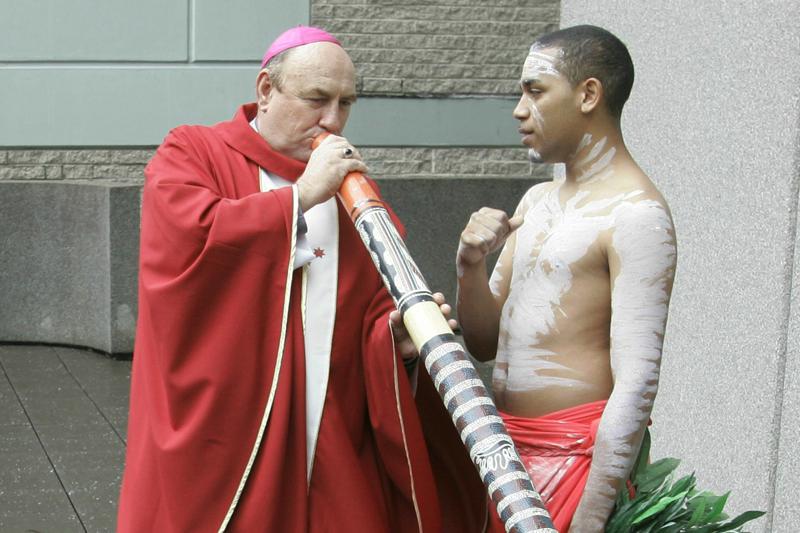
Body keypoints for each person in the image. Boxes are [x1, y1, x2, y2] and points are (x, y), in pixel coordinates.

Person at [117, 26, 483, 533]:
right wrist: (303, 195)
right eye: (317, 99)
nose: (332, 120)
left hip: (330, 432)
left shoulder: (355, 195)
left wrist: (395, 342)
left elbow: (367, 313)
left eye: (346, 103)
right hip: (231, 431)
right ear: (266, 89)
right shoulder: (193, 151)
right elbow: (189, 246)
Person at [456, 25, 677, 532]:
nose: (519, 110)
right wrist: (470, 266)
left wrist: (592, 516)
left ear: (588, 94)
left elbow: (637, 382)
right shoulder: (536, 200)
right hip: (502, 453)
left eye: (535, 91)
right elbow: (484, 343)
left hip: (575, 464)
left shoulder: (637, 214)